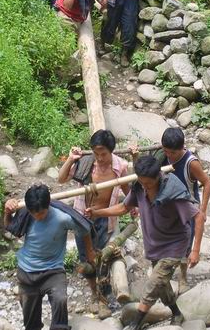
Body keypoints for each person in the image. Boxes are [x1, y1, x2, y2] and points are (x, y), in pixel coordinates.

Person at [87, 156, 205, 330]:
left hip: (175, 244)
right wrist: (97, 212)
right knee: (162, 285)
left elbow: (199, 216)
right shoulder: (139, 186)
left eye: (148, 183)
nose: (145, 187)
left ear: (158, 177)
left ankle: (135, 323)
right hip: (155, 244)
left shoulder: (173, 192)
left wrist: (195, 250)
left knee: (154, 282)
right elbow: (124, 207)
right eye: (142, 182)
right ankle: (177, 314)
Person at [57, 129, 134, 318]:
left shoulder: (120, 167)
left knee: (103, 256)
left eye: (103, 154)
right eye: (96, 153)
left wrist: (133, 205)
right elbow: (61, 178)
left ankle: (104, 295)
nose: (99, 158)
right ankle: (94, 293)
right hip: (82, 217)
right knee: (86, 258)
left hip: (105, 218)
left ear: (111, 151)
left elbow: (127, 188)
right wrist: (70, 159)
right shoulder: (85, 163)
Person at [4, 184, 96, 330]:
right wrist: (7, 212)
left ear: (48, 206)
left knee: (60, 299)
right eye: (34, 213)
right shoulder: (26, 213)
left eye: (41, 213)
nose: (38, 217)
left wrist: (89, 251)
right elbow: (10, 226)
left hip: (53, 270)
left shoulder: (62, 218)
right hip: (27, 271)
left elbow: (85, 229)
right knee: (30, 319)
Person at [157, 127, 210, 294]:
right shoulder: (162, 156)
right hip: (168, 206)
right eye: (166, 151)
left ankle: (182, 276)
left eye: (173, 153)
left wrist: (203, 209)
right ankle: (164, 274)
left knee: (185, 245)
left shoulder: (191, 163)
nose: (169, 155)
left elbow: (207, 183)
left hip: (187, 208)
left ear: (182, 148)